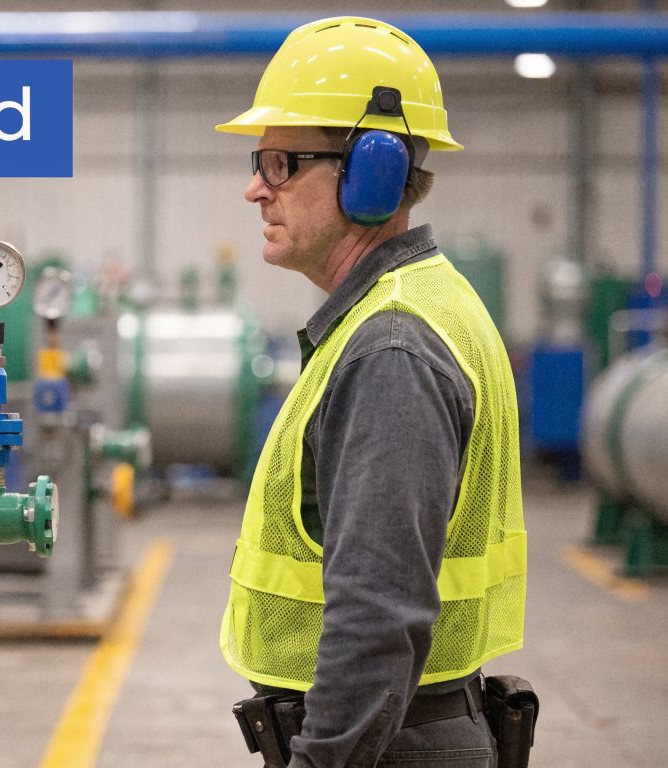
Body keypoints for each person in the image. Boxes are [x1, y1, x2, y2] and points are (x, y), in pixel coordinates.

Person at [214, 16, 528, 768]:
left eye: (281, 162)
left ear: (373, 172)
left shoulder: (393, 345)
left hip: (383, 748)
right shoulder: (405, 310)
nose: (255, 188)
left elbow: (378, 617)